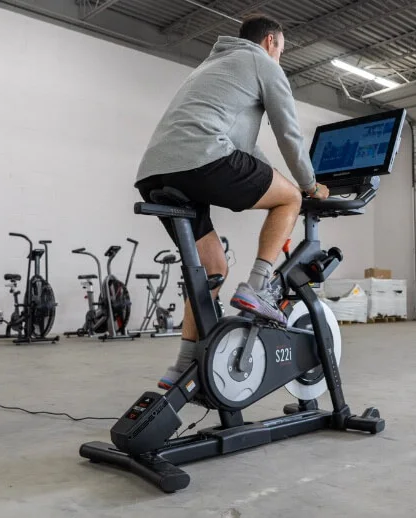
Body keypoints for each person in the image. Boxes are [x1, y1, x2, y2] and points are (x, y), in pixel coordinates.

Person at [135, 13, 330, 390]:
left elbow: (247, 149)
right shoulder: (262, 63)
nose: (280, 57)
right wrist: (309, 184)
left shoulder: (214, 65)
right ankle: (257, 288)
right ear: (271, 42)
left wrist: (273, 175)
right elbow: (289, 132)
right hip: (204, 158)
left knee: (211, 267)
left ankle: (183, 367)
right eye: (281, 50)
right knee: (289, 198)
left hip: (157, 172)